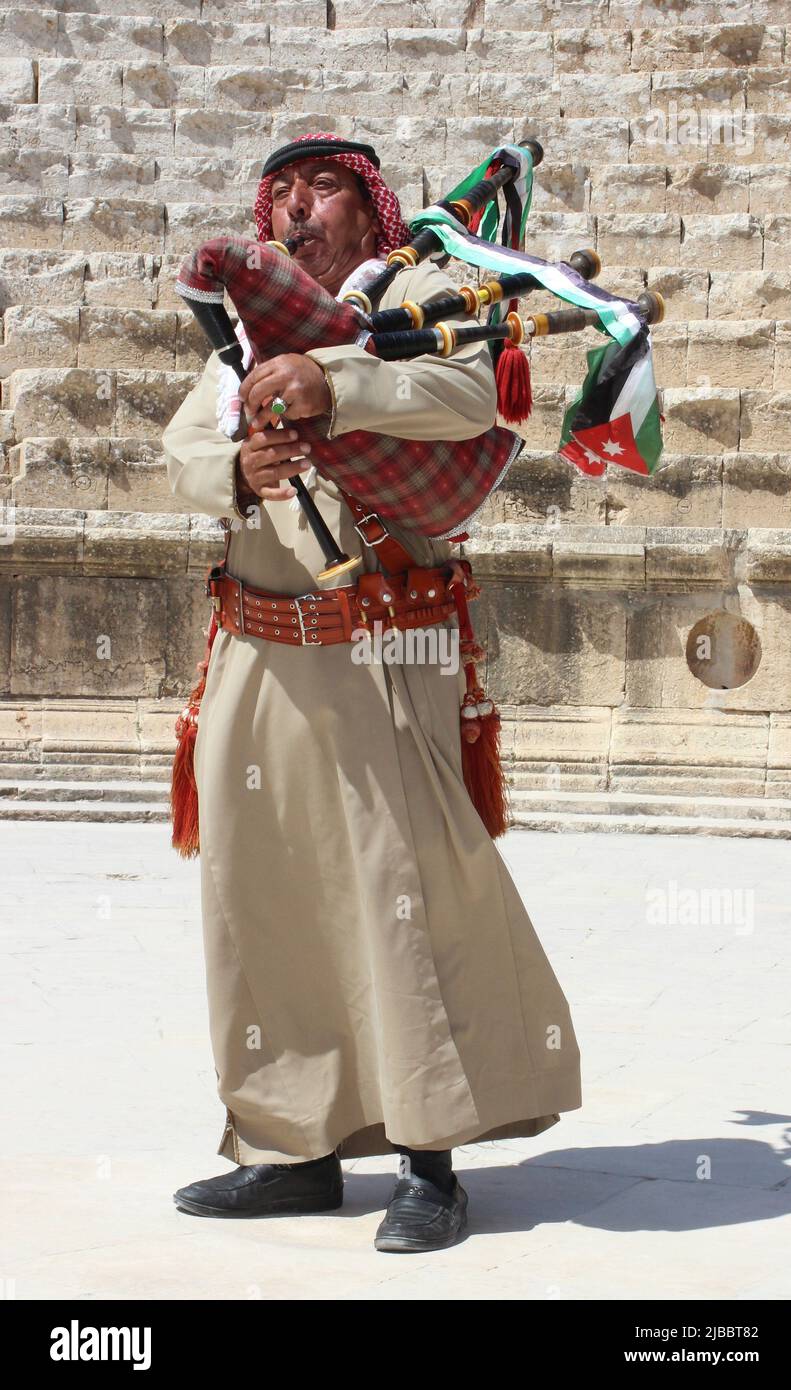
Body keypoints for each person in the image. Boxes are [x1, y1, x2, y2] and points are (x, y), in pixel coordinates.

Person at [162, 132, 582, 1254]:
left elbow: (464, 397)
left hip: (387, 643)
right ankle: (289, 1150)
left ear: (370, 208)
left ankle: (428, 1160)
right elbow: (178, 451)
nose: (299, 210)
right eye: (281, 196)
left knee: (401, 889)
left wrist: (329, 381)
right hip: (255, 650)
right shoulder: (241, 336)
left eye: (325, 189)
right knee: (265, 894)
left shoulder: (428, 292)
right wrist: (231, 470)